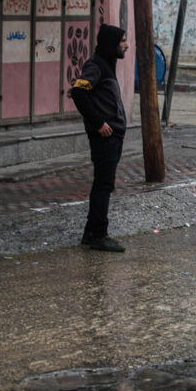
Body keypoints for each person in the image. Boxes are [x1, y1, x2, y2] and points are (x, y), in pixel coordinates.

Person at [70, 24, 129, 252]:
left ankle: (91, 232)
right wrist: (99, 123)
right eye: (122, 41)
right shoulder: (96, 65)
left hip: (113, 137)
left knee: (104, 184)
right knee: (103, 186)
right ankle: (98, 234)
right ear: (111, 43)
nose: (126, 45)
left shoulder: (106, 65)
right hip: (105, 137)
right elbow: (78, 91)